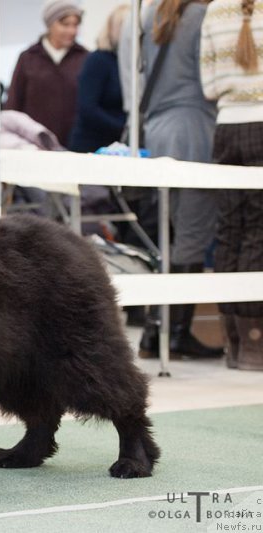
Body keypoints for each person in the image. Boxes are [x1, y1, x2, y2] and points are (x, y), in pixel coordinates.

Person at [137, 0, 225, 359]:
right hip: (192, 125)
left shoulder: (156, 14)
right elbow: (211, 79)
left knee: (169, 232)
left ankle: (154, 331)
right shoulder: (202, 15)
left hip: (159, 130)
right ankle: (174, 334)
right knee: (192, 231)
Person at [201, 0, 263, 370]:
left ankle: (234, 344)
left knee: (229, 229)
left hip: (225, 127)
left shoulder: (214, 10)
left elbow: (208, 85)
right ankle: (255, 344)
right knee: (259, 231)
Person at [5, 0, 88, 149]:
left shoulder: (85, 58)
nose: (71, 31)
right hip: (35, 145)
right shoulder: (28, 58)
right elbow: (13, 104)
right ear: (50, 24)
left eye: (75, 25)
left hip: (74, 146)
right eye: (65, 24)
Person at [69, 5, 130, 153]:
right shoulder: (98, 60)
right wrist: (124, 128)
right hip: (91, 145)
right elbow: (87, 108)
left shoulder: (129, 63)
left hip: (118, 145)